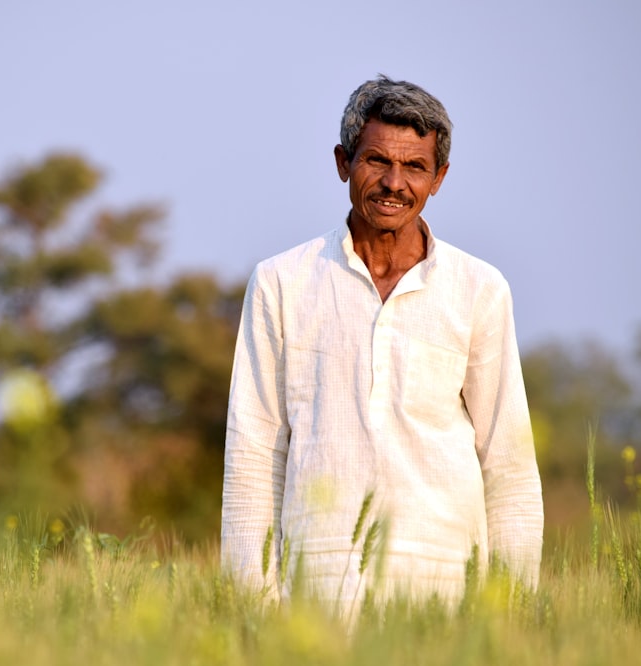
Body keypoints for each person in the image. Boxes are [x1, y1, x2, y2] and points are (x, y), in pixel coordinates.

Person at [220, 75, 543, 613]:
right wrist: (254, 606)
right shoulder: (282, 282)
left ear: (438, 178)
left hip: (448, 596)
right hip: (317, 596)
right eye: (376, 162)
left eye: (415, 166)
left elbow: (507, 465)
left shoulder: (480, 289)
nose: (395, 182)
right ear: (343, 162)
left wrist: (510, 611)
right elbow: (254, 456)